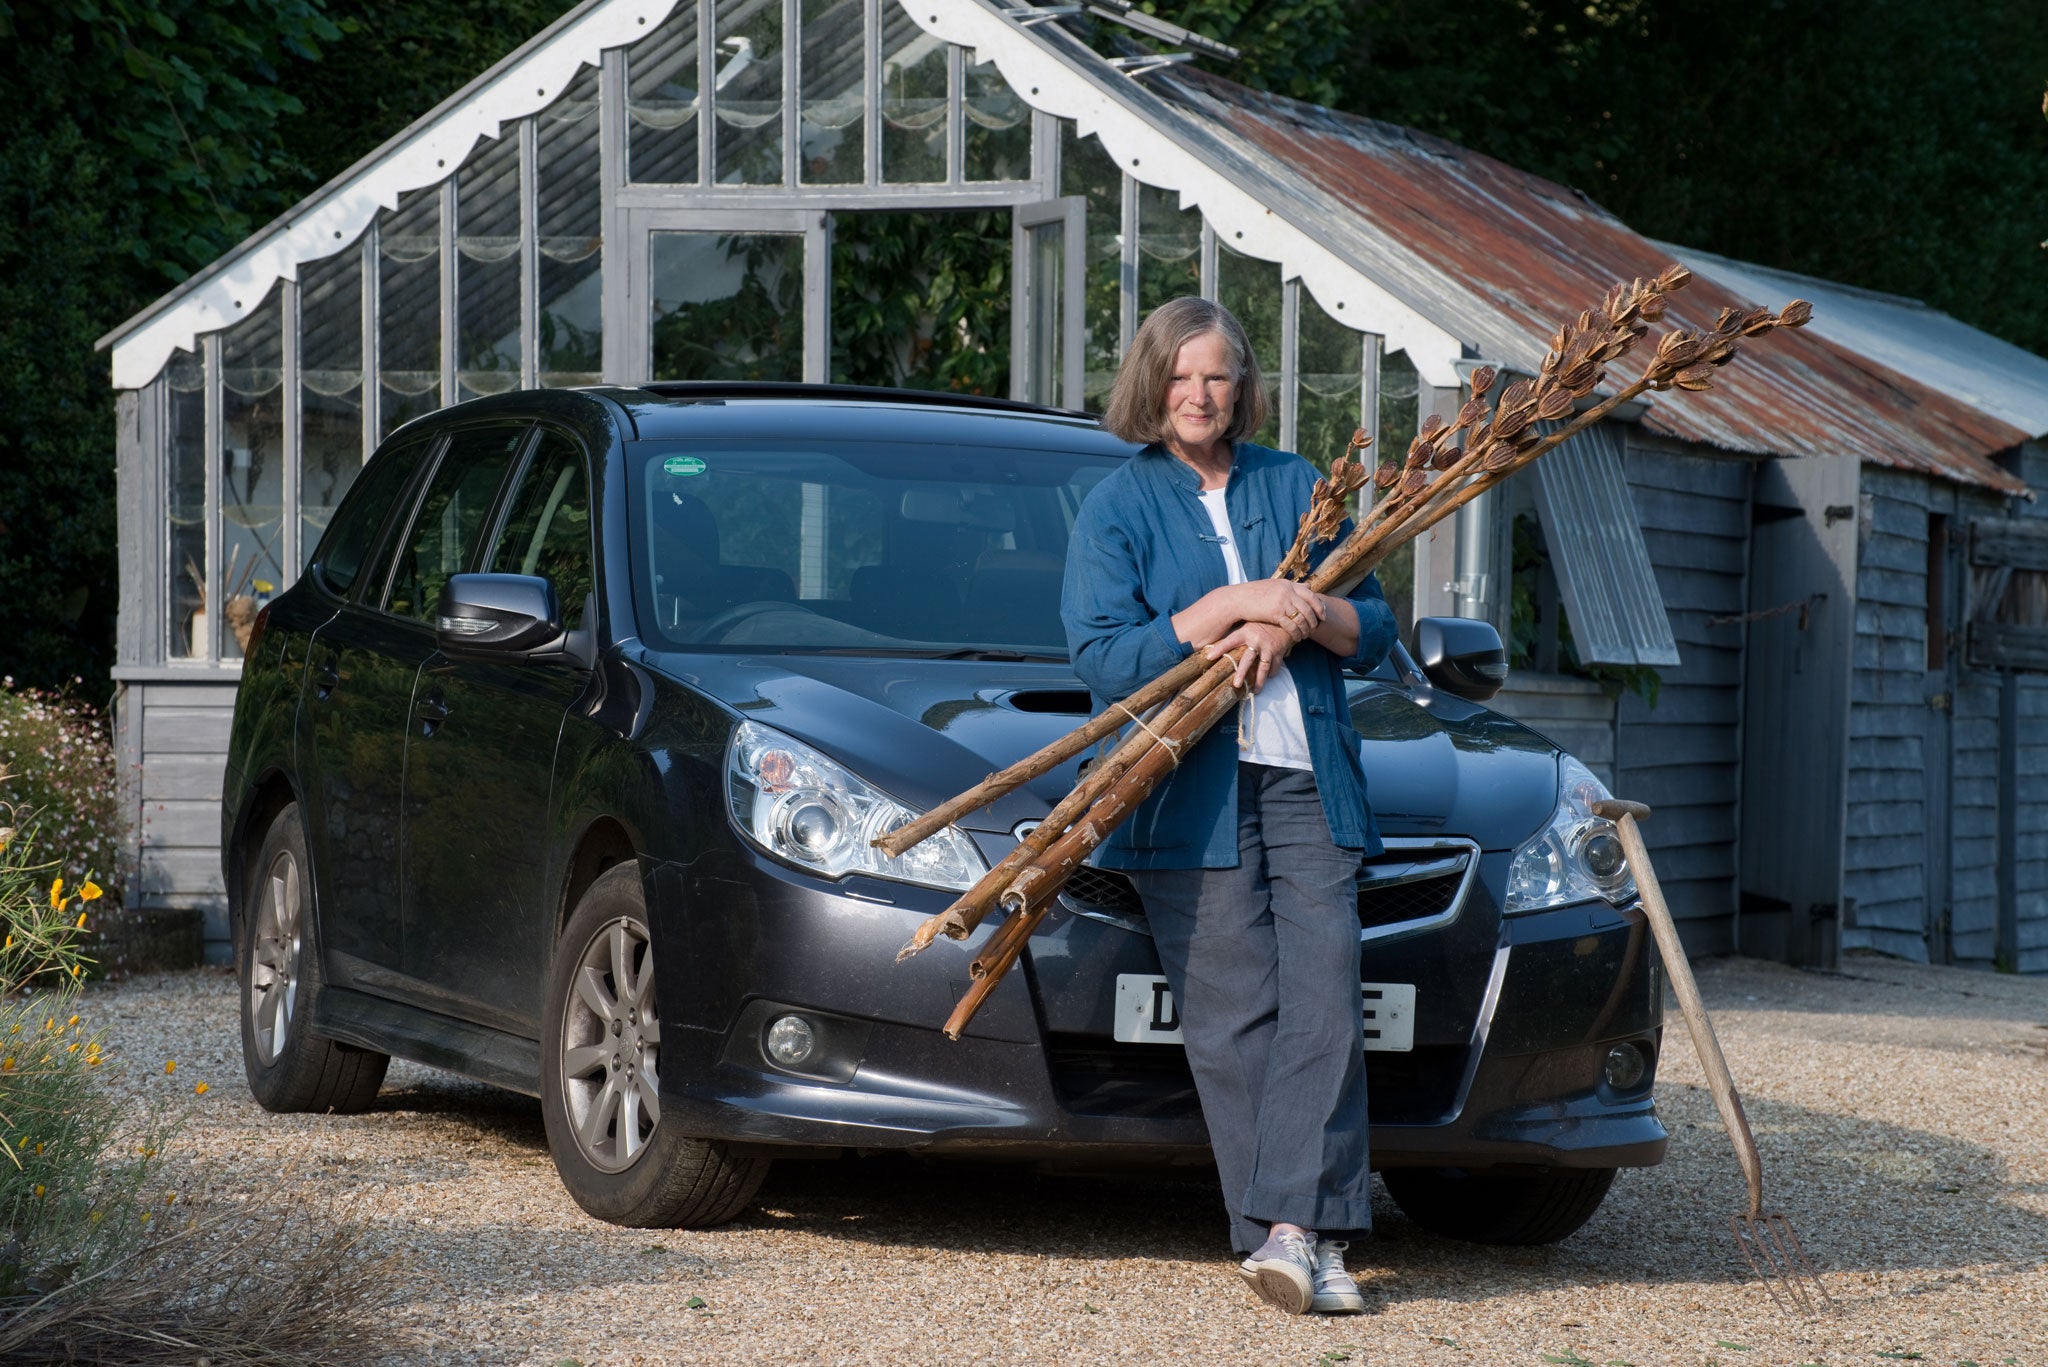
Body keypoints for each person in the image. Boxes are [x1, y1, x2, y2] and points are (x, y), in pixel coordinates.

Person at [1060, 297, 1399, 1316]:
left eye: (1214, 376)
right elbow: (1102, 656)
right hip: (1187, 792)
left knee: (1326, 997)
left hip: (1304, 776)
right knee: (1232, 1019)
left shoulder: (1295, 482)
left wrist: (1308, 610)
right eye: (1178, 375)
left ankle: (1294, 1228)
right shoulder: (1116, 504)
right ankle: (1295, 1238)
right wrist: (1227, 606)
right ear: (1149, 384)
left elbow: (1373, 626)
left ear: (1241, 386)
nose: (1197, 394)